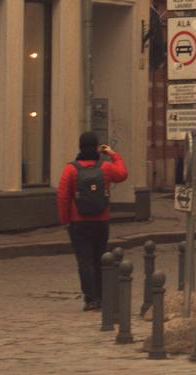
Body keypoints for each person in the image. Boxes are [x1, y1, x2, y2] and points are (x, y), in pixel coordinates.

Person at [57, 132, 127, 311]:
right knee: (100, 258)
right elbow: (122, 174)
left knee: (84, 261)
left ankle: (90, 298)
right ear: (96, 147)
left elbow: (63, 197)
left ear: (80, 146)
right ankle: (102, 296)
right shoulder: (105, 167)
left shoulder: (70, 169)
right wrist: (112, 154)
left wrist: (65, 220)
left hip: (78, 221)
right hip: (101, 220)